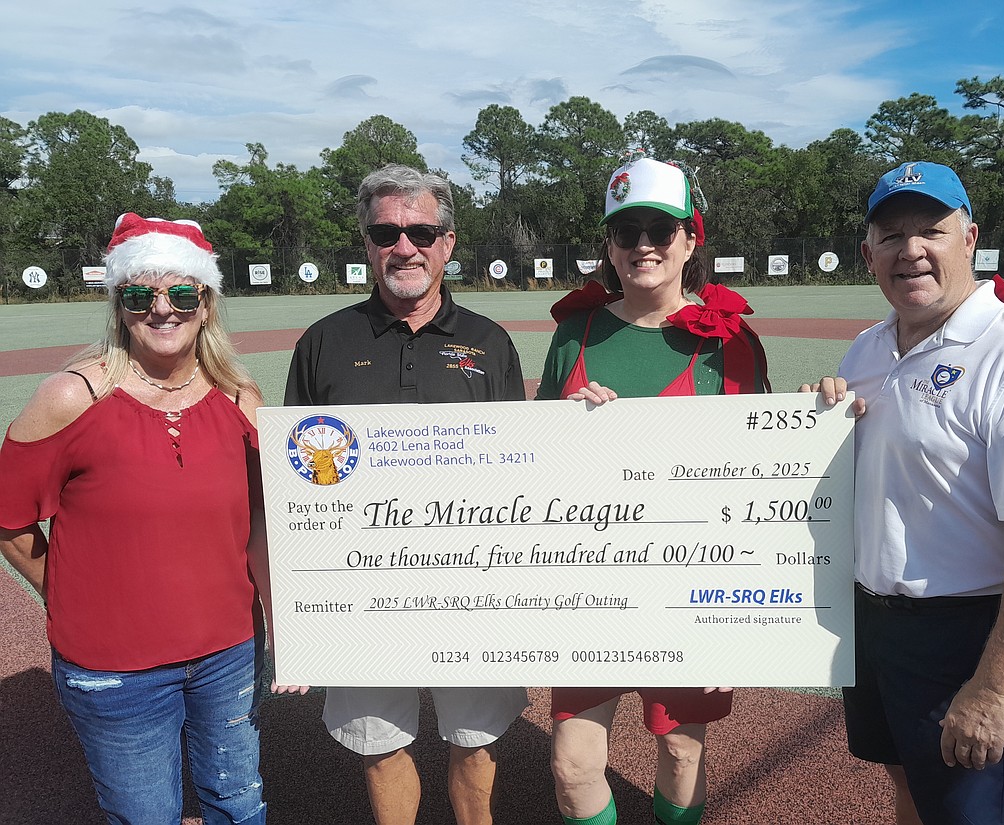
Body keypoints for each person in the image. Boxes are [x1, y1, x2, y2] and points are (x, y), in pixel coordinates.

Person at [804, 161, 1004, 825]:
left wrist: (994, 689)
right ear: (867, 253)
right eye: (892, 235)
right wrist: (811, 425)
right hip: (872, 622)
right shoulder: (864, 352)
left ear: (970, 239)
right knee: (907, 783)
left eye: (931, 229)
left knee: (964, 813)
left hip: (962, 633)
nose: (911, 250)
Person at [0, 213, 290, 824]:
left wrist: (282, 619)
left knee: (239, 803)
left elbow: (263, 520)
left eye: (183, 293)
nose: (163, 309)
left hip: (229, 653)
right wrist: (67, 592)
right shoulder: (71, 396)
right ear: (119, 305)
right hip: (113, 667)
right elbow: (8, 519)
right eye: (140, 294)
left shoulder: (241, 400)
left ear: (206, 304)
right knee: (146, 816)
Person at [283, 164, 528, 825]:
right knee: (380, 740)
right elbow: (295, 477)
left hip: (470, 580)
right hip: (362, 584)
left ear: (447, 241)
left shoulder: (490, 342)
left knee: (475, 739)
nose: (405, 245)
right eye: (387, 231)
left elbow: (524, 468)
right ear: (366, 242)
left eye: (422, 230)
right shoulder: (324, 343)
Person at [537, 154, 770, 825]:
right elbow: (535, 464)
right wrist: (568, 424)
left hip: (687, 586)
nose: (642, 244)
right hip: (590, 582)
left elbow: (758, 480)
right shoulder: (574, 331)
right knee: (573, 763)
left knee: (680, 751)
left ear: (690, 240)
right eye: (626, 230)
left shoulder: (732, 341)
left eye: (659, 230)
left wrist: (735, 618)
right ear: (608, 245)